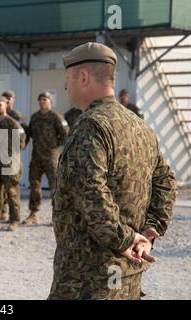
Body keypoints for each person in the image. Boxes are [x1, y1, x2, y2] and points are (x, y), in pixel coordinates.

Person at [49, 42, 177, 300]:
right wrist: (151, 230)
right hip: (127, 275)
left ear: (82, 77)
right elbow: (165, 182)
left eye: (68, 79)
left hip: (87, 278)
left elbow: (91, 194)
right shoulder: (139, 125)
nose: (65, 86)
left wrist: (125, 239)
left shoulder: (90, 126)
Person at [24, 92, 68, 225]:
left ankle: (56, 215)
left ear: (50, 101)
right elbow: (29, 134)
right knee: (34, 184)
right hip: (36, 156)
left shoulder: (56, 117)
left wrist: (54, 146)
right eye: (40, 100)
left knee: (55, 186)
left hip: (51, 156)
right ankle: (33, 213)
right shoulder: (35, 117)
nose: (42, 102)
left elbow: (66, 134)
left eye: (45, 99)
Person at [0, 96, 26, 231]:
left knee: (12, 192)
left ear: (6, 105)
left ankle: (14, 220)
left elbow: (21, 143)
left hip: (10, 163)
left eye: (0, 105)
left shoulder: (13, 123)